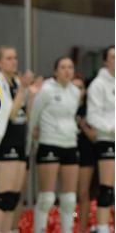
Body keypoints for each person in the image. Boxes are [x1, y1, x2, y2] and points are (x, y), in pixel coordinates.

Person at [0, 45, 41, 233]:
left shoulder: (16, 81)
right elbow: (12, 114)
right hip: (4, 141)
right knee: (3, 196)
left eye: (15, 57)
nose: (14, 61)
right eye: (8, 58)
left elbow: (26, 114)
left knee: (13, 198)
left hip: (20, 142)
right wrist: (24, 89)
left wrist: (32, 95)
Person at [29, 57, 80, 233]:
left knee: (69, 199)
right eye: (63, 67)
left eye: (70, 67)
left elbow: (72, 117)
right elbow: (33, 117)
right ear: (56, 71)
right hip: (49, 143)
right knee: (47, 198)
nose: (67, 71)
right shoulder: (46, 90)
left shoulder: (75, 92)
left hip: (70, 144)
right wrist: (33, 141)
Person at [86, 45, 115, 233]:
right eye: (113, 57)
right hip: (106, 140)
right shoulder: (98, 84)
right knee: (107, 188)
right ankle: (103, 229)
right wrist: (111, 129)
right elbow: (92, 116)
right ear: (105, 61)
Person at [74, 74, 98, 233]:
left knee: (83, 193)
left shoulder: (90, 109)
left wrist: (82, 125)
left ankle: (82, 229)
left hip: (86, 153)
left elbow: (94, 136)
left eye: (80, 88)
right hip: (65, 151)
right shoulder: (60, 105)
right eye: (73, 87)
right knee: (67, 195)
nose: (77, 91)